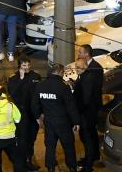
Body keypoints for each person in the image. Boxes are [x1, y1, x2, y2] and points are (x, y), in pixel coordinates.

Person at [32, 64, 79, 172]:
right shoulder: (63, 87)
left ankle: (50, 167)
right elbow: (71, 106)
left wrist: (37, 117)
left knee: (50, 146)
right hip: (63, 122)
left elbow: (34, 104)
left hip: (48, 121)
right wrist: (76, 121)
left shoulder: (40, 85)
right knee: (68, 146)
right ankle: (72, 167)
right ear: (59, 72)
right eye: (63, 72)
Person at [8, 56, 42, 172]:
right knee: (22, 140)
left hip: (33, 113)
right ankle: (21, 164)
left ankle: (29, 161)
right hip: (21, 113)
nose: (27, 68)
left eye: (28, 65)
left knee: (32, 138)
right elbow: (13, 94)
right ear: (19, 66)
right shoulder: (13, 78)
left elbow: (39, 94)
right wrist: (21, 79)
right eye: (24, 66)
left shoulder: (36, 76)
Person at [75, 44, 103, 172]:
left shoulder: (95, 69)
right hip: (89, 109)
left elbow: (90, 94)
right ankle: (93, 156)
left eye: (80, 52)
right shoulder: (84, 69)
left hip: (89, 111)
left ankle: (89, 163)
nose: (78, 53)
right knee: (91, 135)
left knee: (87, 137)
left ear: (87, 54)